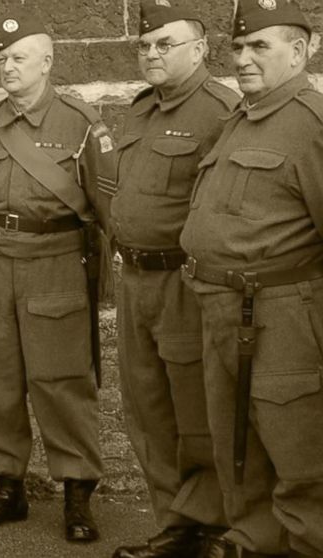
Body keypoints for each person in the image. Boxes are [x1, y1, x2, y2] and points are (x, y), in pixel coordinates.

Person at [0, 10, 113, 543]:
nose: (8, 66)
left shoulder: (81, 122)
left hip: (56, 263)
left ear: (47, 62)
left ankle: (76, 492)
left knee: (63, 380)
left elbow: (105, 207)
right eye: (2, 59)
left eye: (19, 57)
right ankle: (9, 487)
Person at [179, 1, 323, 556]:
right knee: (238, 443)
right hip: (223, 309)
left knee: (299, 447)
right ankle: (254, 541)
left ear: (301, 50)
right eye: (238, 47)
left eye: (260, 46)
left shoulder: (311, 124)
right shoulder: (240, 118)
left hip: (284, 312)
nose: (242, 58)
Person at [105, 3, 238, 557]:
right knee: (147, 408)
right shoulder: (138, 111)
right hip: (134, 280)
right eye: (145, 44)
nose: (152, 53)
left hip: (184, 285)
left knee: (196, 410)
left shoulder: (222, 111)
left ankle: (212, 526)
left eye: (166, 43)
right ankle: (174, 524)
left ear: (200, 48)